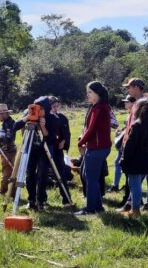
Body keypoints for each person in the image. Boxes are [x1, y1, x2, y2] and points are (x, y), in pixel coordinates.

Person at [74, 81, 112, 215]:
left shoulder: (99, 108)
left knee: (90, 178)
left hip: (97, 148)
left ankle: (90, 209)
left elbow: (91, 129)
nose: (87, 95)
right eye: (87, 92)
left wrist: (80, 142)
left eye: (90, 92)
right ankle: (98, 207)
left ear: (98, 93)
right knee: (87, 175)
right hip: (98, 147)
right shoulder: (99, 106)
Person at [14, 96, 57, 211]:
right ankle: (31, 200)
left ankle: (41, 200)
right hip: (31, 148)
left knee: (42, 174)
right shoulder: (30, 113)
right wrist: (26, 118)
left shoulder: (51, 118)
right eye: (37, 107)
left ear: (46, 109)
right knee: (30, 175)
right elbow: (15, 127)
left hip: (44, 149)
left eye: (41, 108)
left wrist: (42, 126)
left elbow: (51, 138)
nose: (38, 110)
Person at [119, 98, 148, 217]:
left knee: (134, 185)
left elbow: (130, 146)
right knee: (136, 184)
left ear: (140, 109)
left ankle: (135, 210)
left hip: (135, 160)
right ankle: (133, 208)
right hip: (146, 159)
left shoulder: (136, 125)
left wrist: (124, 159)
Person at [108, 95, 136, 192]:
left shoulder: (135, 114)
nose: (125, 103)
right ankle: (120, 185)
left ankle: (119, 185)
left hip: (127, 144)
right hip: (124, 143)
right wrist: (122, 130)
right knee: (119, 163)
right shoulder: (131, 113)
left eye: (127, 102)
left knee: (121, 164)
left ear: (133, 103)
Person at [49, 96, 72, 207]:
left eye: (56, 105)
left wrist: (64, 141)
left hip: (58, 149)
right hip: (46, 149)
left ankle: (66, 200)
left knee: (61, 173)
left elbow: (67, 133)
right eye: (53, 105)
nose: (55, 107)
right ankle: (41, 200)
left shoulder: (62, 118)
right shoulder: (46, 118)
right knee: (42, 174)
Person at [0, 103, 16, 195]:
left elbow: (8, 139)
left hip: (8, 151)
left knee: (7, 172)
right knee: (8, 171)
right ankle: (9, 191)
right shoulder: (5, 123)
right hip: (5, 150)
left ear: (3, 114)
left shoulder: (10, 124)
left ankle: (4, 191)